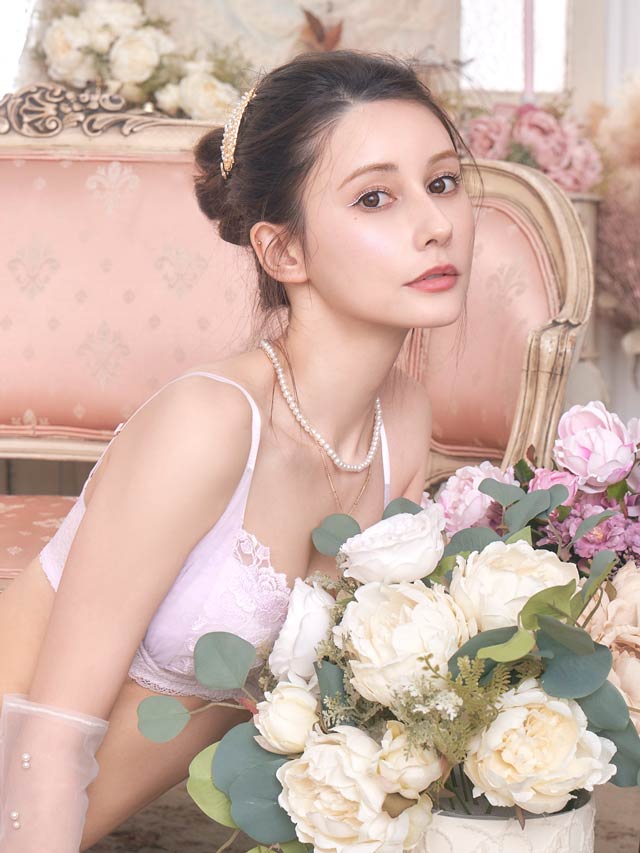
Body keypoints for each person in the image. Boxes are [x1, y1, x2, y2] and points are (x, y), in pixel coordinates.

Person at [0, 48, 476, 851]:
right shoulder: (210, 422)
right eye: (375, 197)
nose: (437, 224)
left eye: (443, 181)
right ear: (282, 251)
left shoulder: (400, 421)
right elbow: (48, 735)